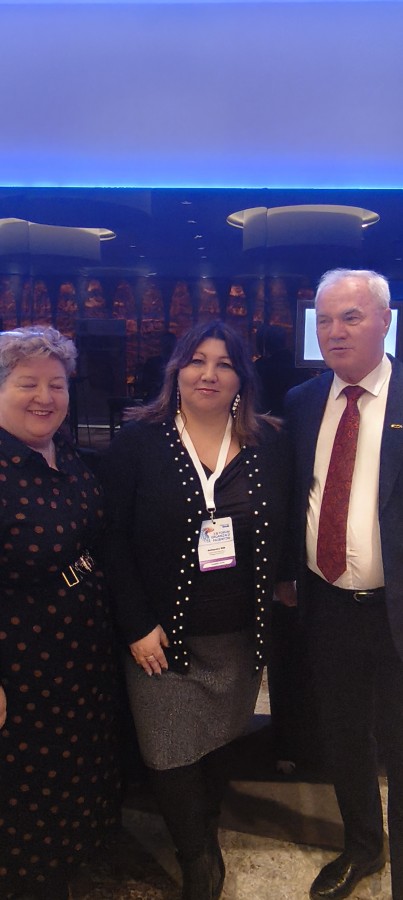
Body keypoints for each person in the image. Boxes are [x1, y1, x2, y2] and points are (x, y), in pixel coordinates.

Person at [101, 320, 291, 900]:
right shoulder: (139, 441)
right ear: (176, 370)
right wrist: (136, 623)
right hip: (160, 637)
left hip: (237, 633)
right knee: (167, 750)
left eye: (225, 363)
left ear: (242, 377)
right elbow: (112, 538)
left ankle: (205, 824)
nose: (209, 374)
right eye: (197, 360)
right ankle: (197, 856)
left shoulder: (269, 443)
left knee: (219, 738)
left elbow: (285, 525)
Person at [279, 269, 403, 900]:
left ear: (385, 320)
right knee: (345, 735)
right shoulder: (303, 402)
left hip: (396, 607)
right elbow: (292, 495)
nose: (334, 332)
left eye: (350, 317)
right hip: (327, 604)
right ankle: (363, 847)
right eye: (324, 320)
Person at [0, 326, 120, 900]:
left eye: (57, 384)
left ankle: (70, 863)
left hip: (80, 650)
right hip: (20, 662)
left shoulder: (64, 450)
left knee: (74, 766)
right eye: (28, 383)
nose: (44, 397)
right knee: (25, 783)